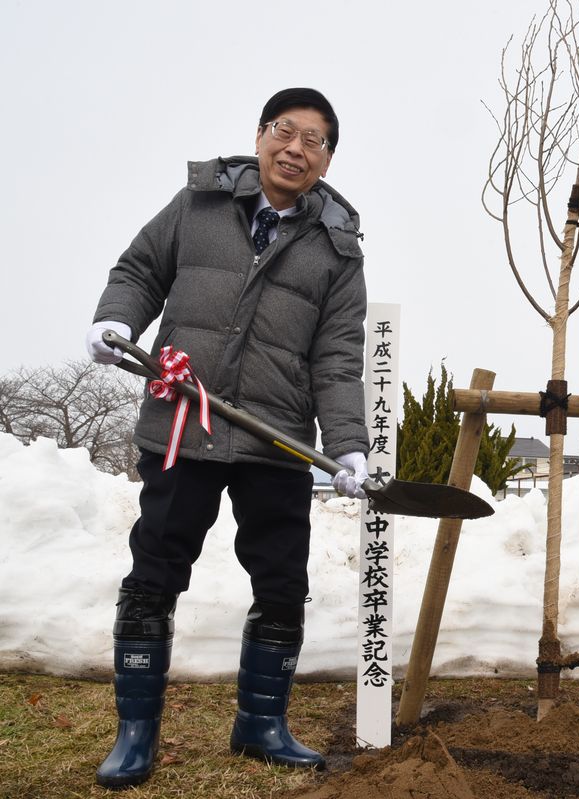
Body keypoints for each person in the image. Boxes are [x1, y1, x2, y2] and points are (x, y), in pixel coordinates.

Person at [84, 88, 371, 789]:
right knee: (153, 576)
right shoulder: (199, 205)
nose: (295, 148)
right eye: (285, 131)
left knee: (281, 583)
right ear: (261, 133)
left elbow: (336, 357)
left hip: (273, 439)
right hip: (184, 423)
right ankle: (135, 734)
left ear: (328, 157)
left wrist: (349, 443)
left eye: (314, 140)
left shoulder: (337, 250)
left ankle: (261, 723)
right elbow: (138, 270)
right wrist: (115, 318)